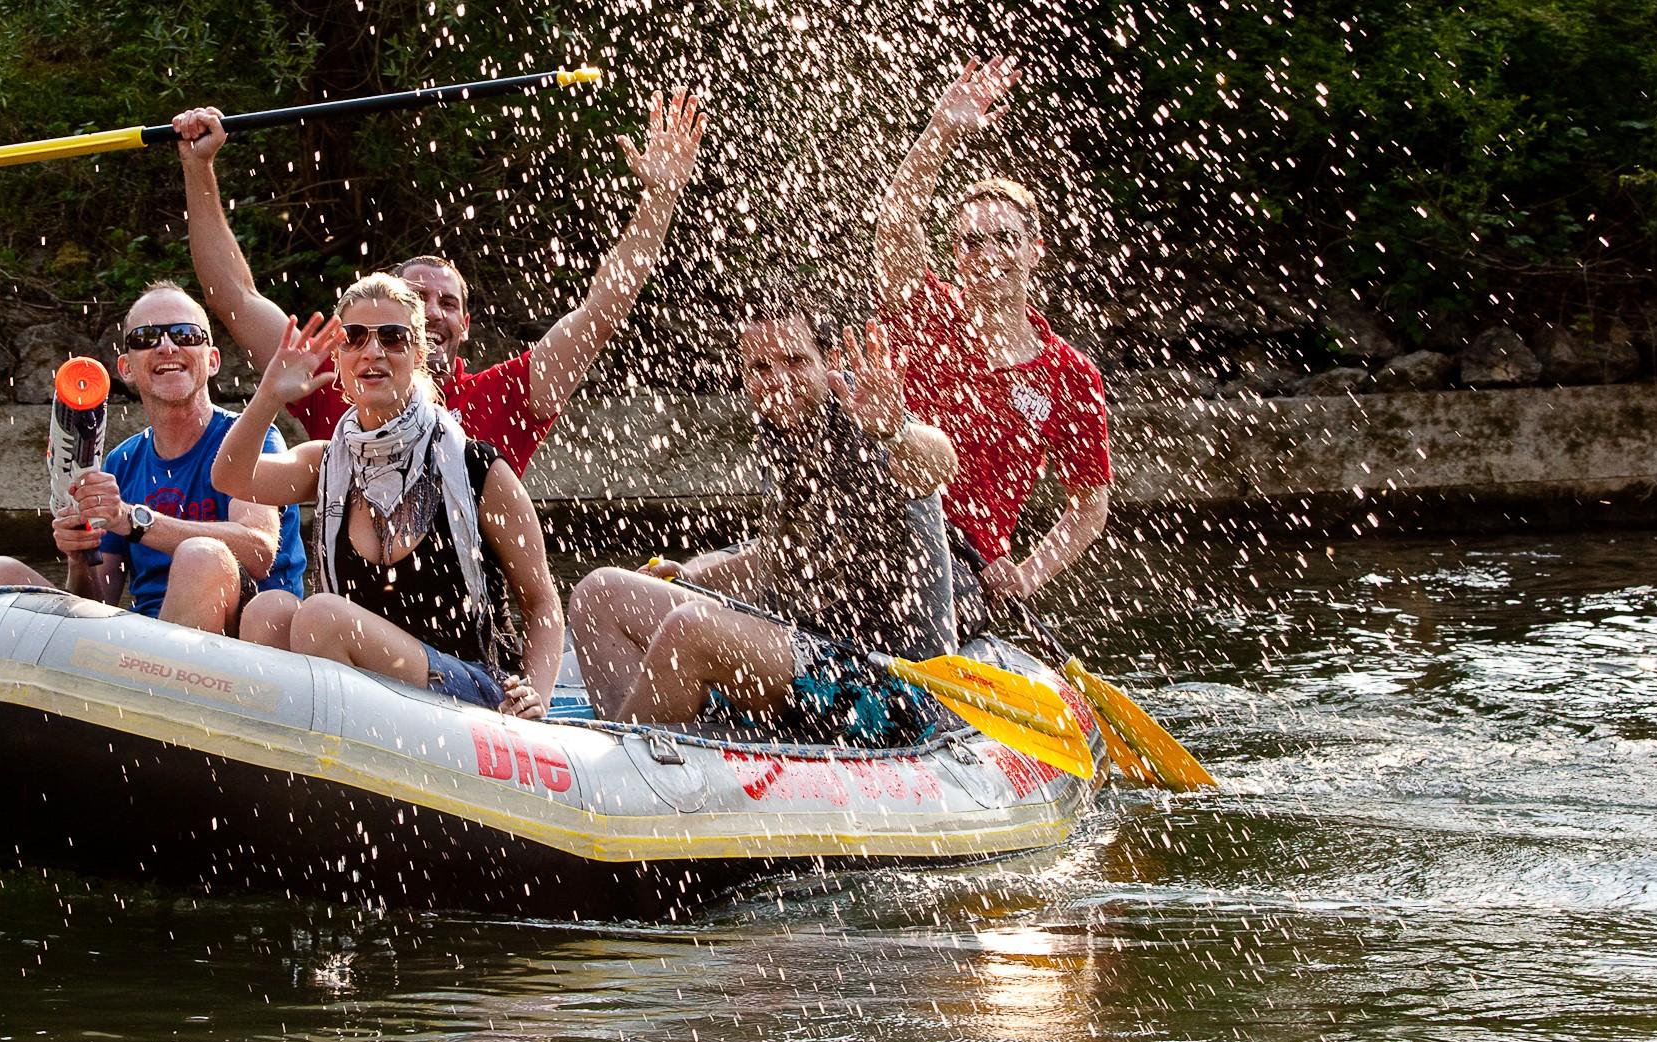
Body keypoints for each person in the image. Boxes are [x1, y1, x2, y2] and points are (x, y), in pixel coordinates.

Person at [171, 87, 707, 475]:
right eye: (417, 300)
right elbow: (233, 298)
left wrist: (659, 199)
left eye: (447, 302)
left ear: (466, 324)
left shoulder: (507, 395)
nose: (432, 312)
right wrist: (199, 167)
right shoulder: (336, 377)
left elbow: (600, 313)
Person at [568, 285, 960, 727]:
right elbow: (780, 556)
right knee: (598, 593)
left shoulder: (864, 413)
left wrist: (892, 431)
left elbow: (938, 464)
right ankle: (630, 742)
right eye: (759, 367)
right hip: (805, 650)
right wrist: (690, 576)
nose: (777, 380)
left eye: (794, 361)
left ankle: (626, 760)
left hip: (896, 682)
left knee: (690, 627)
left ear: (829, 362)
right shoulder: (783, 434)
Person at [210, 274, 565, 719]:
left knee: (322, 616)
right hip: (373, 690)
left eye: (392, 338)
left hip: (474, 688)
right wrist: (269, 394)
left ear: (418, 354)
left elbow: (541, 601)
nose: (372, 352)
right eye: (355, 338)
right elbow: (230, 477)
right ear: (338, 360)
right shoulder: (326, 463)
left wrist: (538, 695)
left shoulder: (476, 469)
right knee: (269, 611)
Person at [874, 54, 1112, 601]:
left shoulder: (1069, 374)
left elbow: (1089, 506)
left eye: (1004, 239)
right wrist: (942, 129)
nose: (988, 254)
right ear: (955, 253)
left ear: (1035, 250)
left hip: (964, 562)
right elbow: (897, 218)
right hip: (879, 529)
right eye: (972, 241)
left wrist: (1025, 575)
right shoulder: (925, 311)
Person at [0, 282, 304, 633]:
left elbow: (260, 551)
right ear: (126, 368)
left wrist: (132, 520)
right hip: (144, 642)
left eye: (186, 335)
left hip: (239, 642)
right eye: (146, 338)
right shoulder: (122, 461)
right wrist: (80, 556)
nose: (167, 347)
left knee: (201, 555)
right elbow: (97, 603)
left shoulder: (252, 439)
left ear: (213, 359)